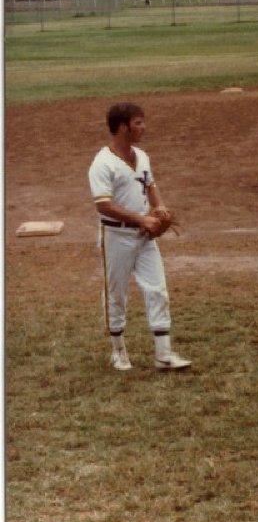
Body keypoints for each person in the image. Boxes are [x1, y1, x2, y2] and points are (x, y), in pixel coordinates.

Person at [89, 102, 191, 372]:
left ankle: (164, 354)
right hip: (115, 236)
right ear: (123, 127)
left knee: (157, 289)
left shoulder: (142, 156)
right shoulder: (103, 163)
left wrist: (159, 208)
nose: (143, 128)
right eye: (138, 123)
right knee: (116, 293)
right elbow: (103, 205)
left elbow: (150, 184)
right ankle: (118, 351)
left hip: (144, 237)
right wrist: (141, 218)